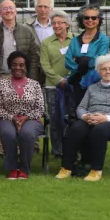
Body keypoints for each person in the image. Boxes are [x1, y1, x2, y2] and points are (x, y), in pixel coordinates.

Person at [56, 54, 110, 182]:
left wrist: (105, 117)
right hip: (91, 119)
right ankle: (66, 168)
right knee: (75, 128)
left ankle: (96, 170)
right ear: (98, 71)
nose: (108, 71)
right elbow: (81, 107)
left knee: (99, 131)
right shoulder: (92, 88)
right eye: (104, 69)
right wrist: (85, 116)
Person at [0, 51, 45, 180]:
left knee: (26, 133)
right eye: (14, 65)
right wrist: (13, 118)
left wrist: (26, 117)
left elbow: (40, 108)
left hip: (31, 119)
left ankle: (24, 169)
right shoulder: (3, 84)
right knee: (8, 133)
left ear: (26, 67)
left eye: (21, 65)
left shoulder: (35, 84)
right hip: (6, 118)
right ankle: (12, 168)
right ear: (10, 66)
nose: (18, 67)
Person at [63, 6, 110, 117]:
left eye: (94, 18)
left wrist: (82, 61)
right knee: (79, 113)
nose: (90, 20)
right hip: (77, 82)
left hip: (95, 82)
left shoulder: (104, 39)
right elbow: (68, 61)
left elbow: (100, 59)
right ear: (82, 20)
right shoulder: (74, 40)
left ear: (99, 20)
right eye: (86, 17)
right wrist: (83, 66)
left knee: (95, 113)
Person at [0, 0, 41, 86]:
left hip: (22, 79)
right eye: (5, 8)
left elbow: (33, 58)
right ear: (0, 13)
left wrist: (31, 80)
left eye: (11, 8)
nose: (8, 10)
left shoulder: (26, 32)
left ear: (16, 11)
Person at [39, 9, 73, 156]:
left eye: (60, 22)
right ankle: (57, 149)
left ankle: (71, 147)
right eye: (54, 23)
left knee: (71, 117)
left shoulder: (76, 40)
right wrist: (59, 80)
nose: (57, 25)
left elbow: (78, 61)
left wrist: (70, 78)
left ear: (67, 24)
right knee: (54, 118)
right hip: (52, 86)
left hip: (72, 85)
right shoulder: (46, 43)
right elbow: (45, 65)